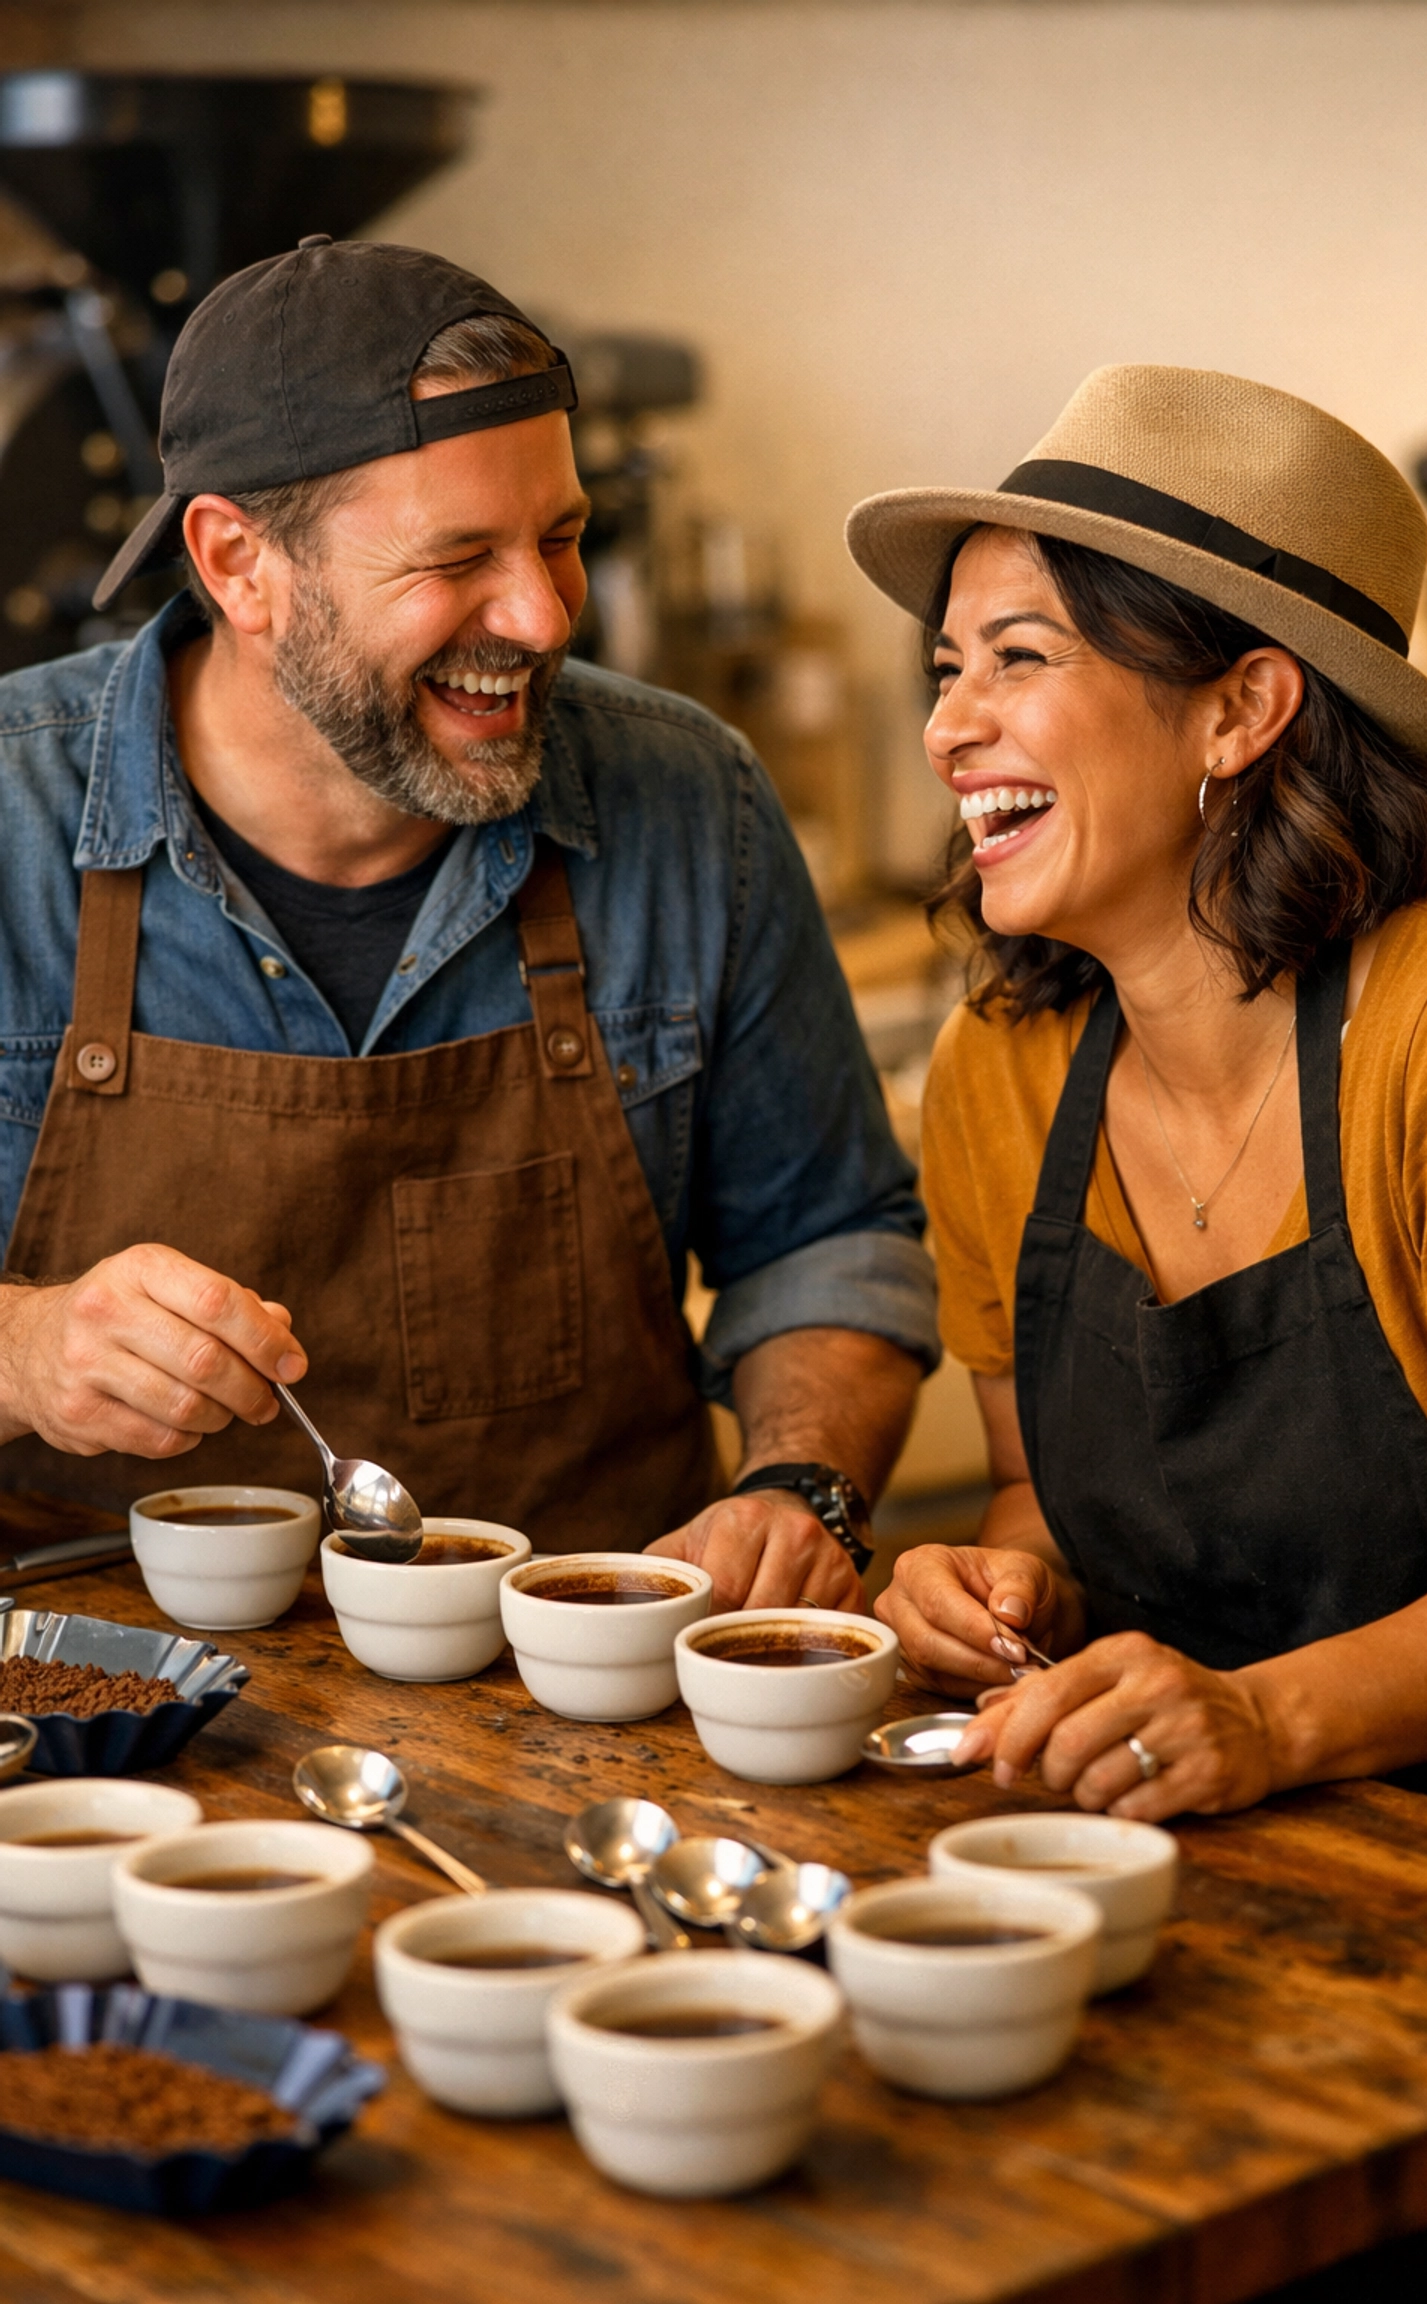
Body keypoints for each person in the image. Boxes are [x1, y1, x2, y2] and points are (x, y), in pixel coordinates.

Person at [0, 236, 938, 1610]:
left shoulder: (688, 802)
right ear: (238, 563)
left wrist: (803, 1484)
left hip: (580, 1704)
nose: (546, 614)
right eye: (460, 558)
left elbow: (828, 1240)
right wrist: (24, 1351)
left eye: (564, 538)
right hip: (99, 1719)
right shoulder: (14, 817)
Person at [847, 364, 1427, 1818]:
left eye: (1019, 659)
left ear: (1241, 710)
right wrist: (1002, 1584)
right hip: (1185, 1844)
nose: (947, 730)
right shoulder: (1003, 1066)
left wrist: (1263, 1723)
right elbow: (1046, 1499)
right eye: (947, 669)